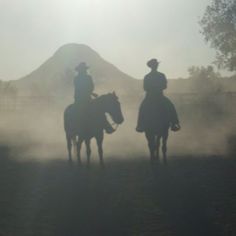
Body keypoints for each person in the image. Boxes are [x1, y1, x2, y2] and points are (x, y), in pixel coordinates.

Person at [136, 58, 180, 132]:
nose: (156, 66)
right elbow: (146, 87)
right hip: (157, 96)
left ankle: (140, 125)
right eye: (155, 65)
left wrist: (154, 88)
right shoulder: (158, 75)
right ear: (152, 66)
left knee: (142, 107)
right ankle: (174, 123)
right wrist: (157, 88)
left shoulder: (149, 76)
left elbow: (164, 86)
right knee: (170, 106)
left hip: (152, 97)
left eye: (156, 65)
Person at [74, 62, 114, 134]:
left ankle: (106, 125)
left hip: (86, 98)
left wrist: (90, 92)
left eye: (84, 69)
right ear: (80, 70)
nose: (84, 71)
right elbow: (79, 88)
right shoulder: (77, 79)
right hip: (79, 99)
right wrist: (90, 93)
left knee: (99, 110)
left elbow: (91, 87)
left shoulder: (87, 78)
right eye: (83, 69)